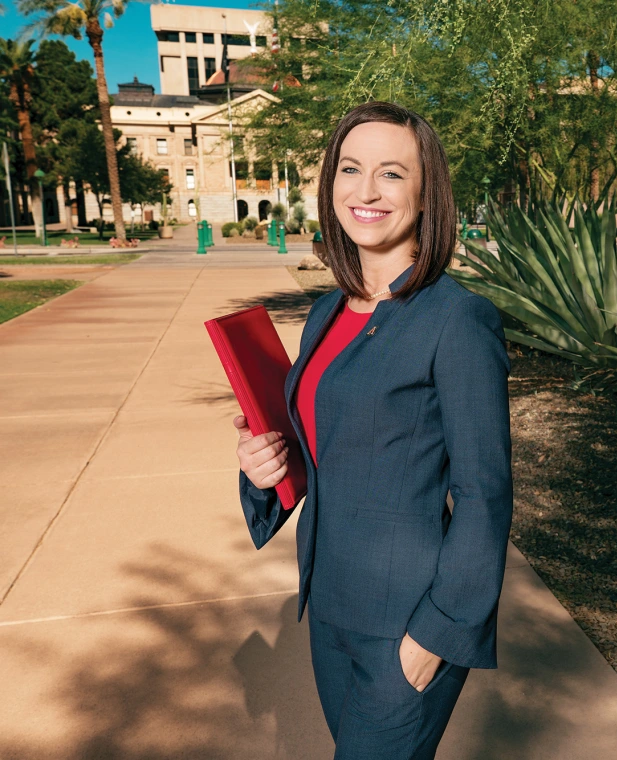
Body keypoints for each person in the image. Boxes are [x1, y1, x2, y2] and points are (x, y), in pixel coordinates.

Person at [232, 101, 513, 759]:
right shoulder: (329, 309)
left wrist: (436, 637)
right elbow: (315, 450)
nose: (365, 191)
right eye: (350, 169)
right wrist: (262, 468)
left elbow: (484, 495)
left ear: (425, 192)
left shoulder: (458, 320)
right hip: (329, 607)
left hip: (408, 621)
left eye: (391, 173)